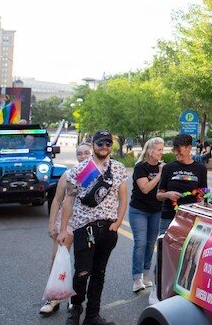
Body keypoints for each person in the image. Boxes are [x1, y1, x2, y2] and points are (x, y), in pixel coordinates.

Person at [58, 130, 128, 325]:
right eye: (100, 143)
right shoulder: (80, 170)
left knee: (99, 273)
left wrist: (118, 222)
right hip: (84, 227)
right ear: (93, 145)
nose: (104, 146)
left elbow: (123, 197)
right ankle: (75, 309)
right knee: (82, 272)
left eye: (108, 143)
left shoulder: (118, 168)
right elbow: (68, 200)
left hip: (108, 228)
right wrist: (64, 229)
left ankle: (92, 315)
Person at [40, 143, 92, 317]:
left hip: (87, 222)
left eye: (87, 153)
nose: (83, 156)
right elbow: (56, 200)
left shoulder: (98, 174)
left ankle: (73, 297)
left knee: (82, 263)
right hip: (67, 221)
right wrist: (51, 223)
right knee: (58, 258)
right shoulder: (68, 174)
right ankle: (53, 297)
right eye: (80, 154)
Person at [129, 137, 164, 293]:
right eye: (159, 150)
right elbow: (145, 188)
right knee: (141, 242)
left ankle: (146, 275)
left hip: (156, 210)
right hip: (139, 211)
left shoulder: (162, 167)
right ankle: (137, 278)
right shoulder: (140, 167)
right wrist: (160, 175)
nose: (161, 153)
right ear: (150, 151)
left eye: (162, 150)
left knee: (151, 243)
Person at [156, 133, 208, 235]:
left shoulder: (200, 168)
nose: (176, 153)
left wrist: (200, 196)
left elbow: (203, 193)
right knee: (165, 248)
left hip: (191, 218)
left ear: (189, 148)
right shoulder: (168, 168)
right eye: (174, 150)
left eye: (179, 150)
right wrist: (167, 195)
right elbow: (159, 195)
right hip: (169, 217)